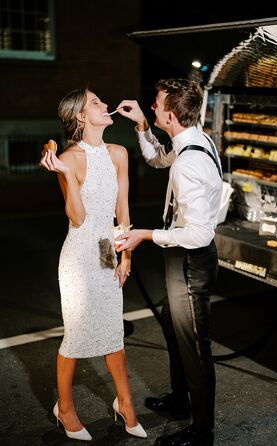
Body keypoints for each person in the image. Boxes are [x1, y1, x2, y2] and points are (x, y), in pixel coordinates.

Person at [116, 78, 223, 446]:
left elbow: (199, 234)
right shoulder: (190, 141)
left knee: (194, 346)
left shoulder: (189, 161)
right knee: (174, 330)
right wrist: (144, 126)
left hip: (191, 261)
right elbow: (155, 158)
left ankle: (201, 431)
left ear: (173, 114)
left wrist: (146, 235)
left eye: (158, 105)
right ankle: (180, 402)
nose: (153, 105)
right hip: (181, 257)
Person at [39, 88, 147, 441]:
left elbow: (123, 210)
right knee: (76, 336)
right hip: (78, 256)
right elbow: (79, 219)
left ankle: (125, 405)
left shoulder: (118, 153)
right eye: (96, 103)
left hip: (106, 250)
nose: (105, 104)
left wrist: (126, 252)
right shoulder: (68, 159)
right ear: (82, 117)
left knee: (113, 331)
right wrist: (66, 175)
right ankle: (65, 408)